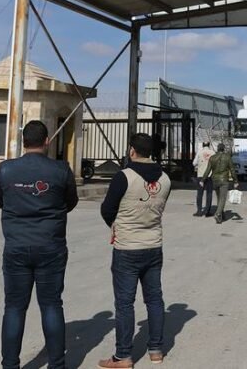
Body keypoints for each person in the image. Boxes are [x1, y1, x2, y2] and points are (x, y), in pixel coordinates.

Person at [0, 120, 78, 369]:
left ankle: (10, 365)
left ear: (23, 142)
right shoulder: (61, 170)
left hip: (16, 247)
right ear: (47, 141)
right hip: (50, 246)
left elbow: (1, 200)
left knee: (14, 308)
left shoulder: (6, 169)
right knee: (51, 304)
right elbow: (69, 202)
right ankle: (57, 364)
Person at [98, 133, 173, 368]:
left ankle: (123, 356)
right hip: (153, 244)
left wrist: (117, 225)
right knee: (154, 299)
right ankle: (156, 350)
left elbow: (107, 209)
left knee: (124, 303)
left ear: (132, 151)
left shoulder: (124, 177)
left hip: (127, 247)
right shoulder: (165, 179)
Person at [203, 143, 239, 224]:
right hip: (224, 180)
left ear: (217, 149)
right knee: (222, 198)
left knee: (219, 197)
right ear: (224, 149)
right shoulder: (227, 157)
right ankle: (218, 213)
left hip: (214, 180)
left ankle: (221, 215)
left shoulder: (212, 158)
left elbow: (208, 170)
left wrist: (202, 180)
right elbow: (232, 170)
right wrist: (235, 181)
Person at [192, 141, 215, 216]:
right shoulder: (212, 153)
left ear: (202, 145)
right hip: (210, 176)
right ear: (209, 145)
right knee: (209, 193)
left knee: (200, 193)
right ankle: (207, 212)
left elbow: (194, 163)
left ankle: (199, 211)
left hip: (200, 175)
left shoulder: (199, 152)